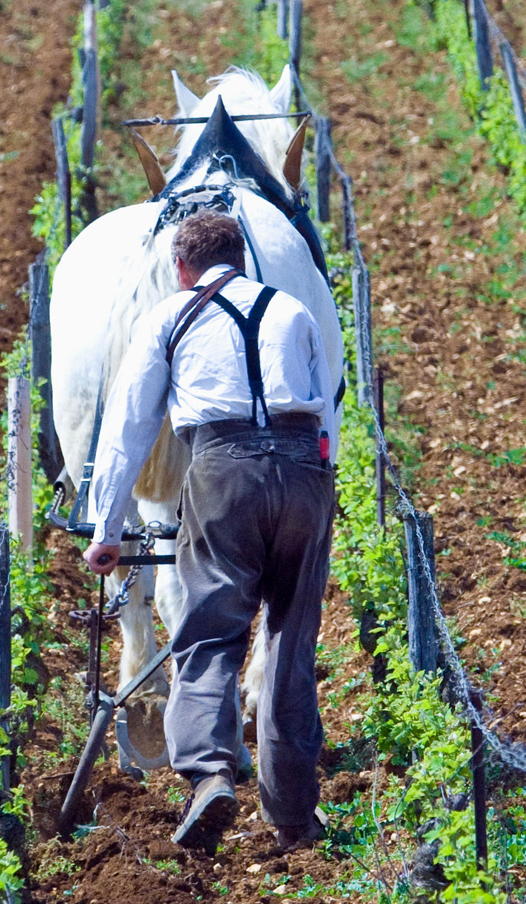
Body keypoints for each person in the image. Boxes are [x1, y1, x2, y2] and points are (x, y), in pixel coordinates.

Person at [82, 210, 339, 851]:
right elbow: (325, 412)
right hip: (304, 469)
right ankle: (294, 815)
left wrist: (106, 528)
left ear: (179, 268)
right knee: (288, 641)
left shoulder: (170, 317)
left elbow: (128, 428)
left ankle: (208, 775)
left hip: (222, 470)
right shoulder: (291, 311)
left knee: (210, 631)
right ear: (245, 259)